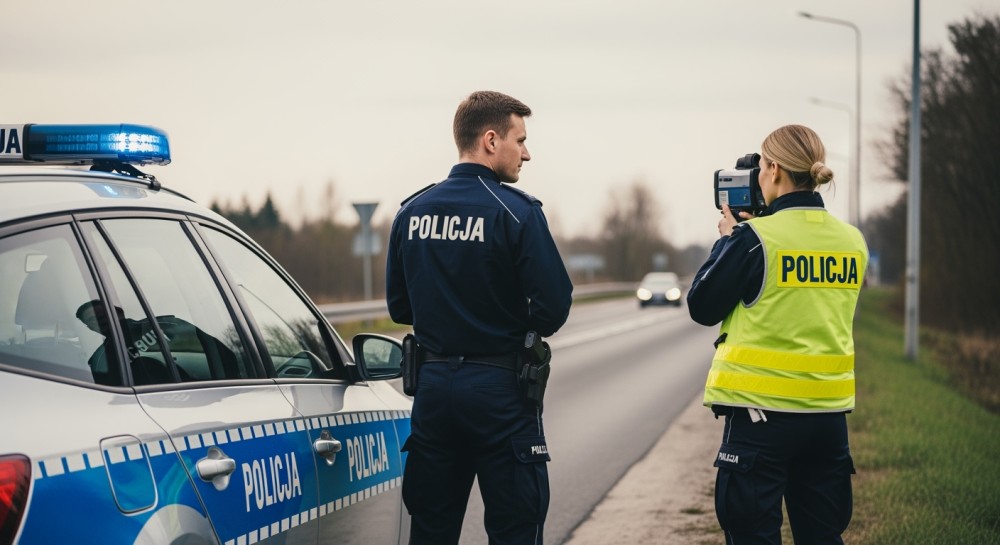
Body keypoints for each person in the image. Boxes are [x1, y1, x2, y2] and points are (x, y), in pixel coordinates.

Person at [386, 90, 573, 545]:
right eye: (520, 140)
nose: (527, 153)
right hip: (500, 392)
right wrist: (507, 321)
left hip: (433, 393)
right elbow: (554, 307)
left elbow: (400, 308)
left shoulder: (412, 211)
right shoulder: (517, 211)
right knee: (515, 526)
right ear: (491, 140)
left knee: (431, 529)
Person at [687, 124, 868, 545]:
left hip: (760, 418)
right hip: (827, 418)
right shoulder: (852, 242)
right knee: (822, 536)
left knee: (753, 535)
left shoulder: (754, 241)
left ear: (771, 169)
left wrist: (726, 242)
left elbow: (702, 306)